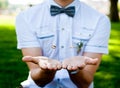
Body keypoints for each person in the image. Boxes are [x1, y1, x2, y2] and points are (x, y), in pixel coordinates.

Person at [15, 0, 111, 88]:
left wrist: (75, 70)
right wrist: (47, 70)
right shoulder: (25, 17)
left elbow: (85, 83)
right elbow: (39, 81)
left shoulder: (100, 20)